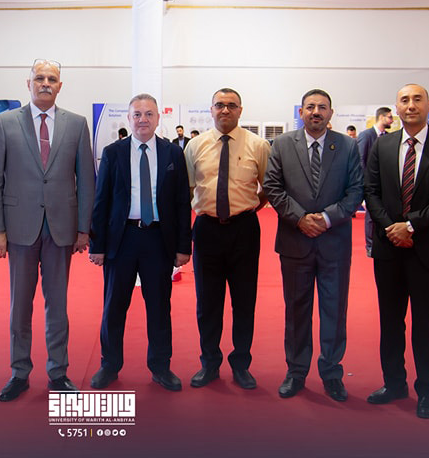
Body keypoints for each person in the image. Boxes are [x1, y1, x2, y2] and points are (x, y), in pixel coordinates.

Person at [0, 59, 95, 402]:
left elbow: (86, 180)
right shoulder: (5, 123)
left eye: (52, 79)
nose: (45, 83)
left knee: (57, 306)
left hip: (61, 229)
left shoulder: (77, 124)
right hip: (19, 229)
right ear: (28, 83)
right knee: (20, 306)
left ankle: (58, 372)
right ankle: (19, 372)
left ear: (60, 85)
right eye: (39, 78)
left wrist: (83, 228)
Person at [365, 84, 429, 419]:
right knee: (390, 322)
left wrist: (410, 226)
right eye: (404, 100)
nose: (411, 105)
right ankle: (393, 384)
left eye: (417, 99)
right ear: (396, 107)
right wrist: (391, 228)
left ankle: (428, 391)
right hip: (389, 248)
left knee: (428, 324)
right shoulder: (382, 145)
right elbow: (371, 190)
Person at [262, 89, 363, 402]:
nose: (316, 112)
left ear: (331, 113)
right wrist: (301, 219)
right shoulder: (281, 144)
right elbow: (272, 187)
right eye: (310, 107)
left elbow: (356, 190)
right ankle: (296, 372)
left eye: (322, 107)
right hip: (295, 242)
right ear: (301, 112)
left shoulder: (348, 146)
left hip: (335, 244)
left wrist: (327, 218)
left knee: (334, 311)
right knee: (296, 311)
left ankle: (332, 373)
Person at [89, 94, 191, 391]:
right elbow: (101, 201)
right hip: (122, 240)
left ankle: (160, 366)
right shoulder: (113, 153)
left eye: (149, 114)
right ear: (129, 118)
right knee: (114, 306)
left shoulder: (173, 154)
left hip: (158, 239)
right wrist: (97, 245)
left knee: (159, 306)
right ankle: (109, 365)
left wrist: (183, 246)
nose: (143, 119)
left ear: (158, 118)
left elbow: (182, 202)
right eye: (137, 114)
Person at [183, 88, 270, 390]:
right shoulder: (195, 146)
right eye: (219, 105)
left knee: (244, 301)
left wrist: (246, 208)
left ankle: (241, 364)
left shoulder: (258, 145)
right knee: (208, 302)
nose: (225, 110)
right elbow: (186, 189)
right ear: (211, 109)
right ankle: (209, 363)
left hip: (244, 229)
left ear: (240, 110)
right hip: (206, 230)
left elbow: (268, 188)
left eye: (231, 106)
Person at [357, 106, 393, 256]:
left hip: (386, 184)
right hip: (369, 184)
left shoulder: (388, 137)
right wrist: (365, 183)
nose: (392, 120)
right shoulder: (366, 135)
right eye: (390, 117)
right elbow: (360, 160)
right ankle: (370, 245)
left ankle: (381, 242)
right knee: (371, 216)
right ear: (382, 117)